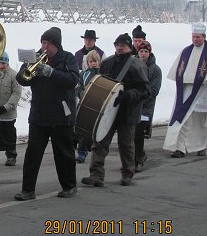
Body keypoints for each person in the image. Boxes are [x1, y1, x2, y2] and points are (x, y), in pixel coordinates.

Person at [14, 27, 79, 201]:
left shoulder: (68, 58)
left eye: (48, 44)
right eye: (43, 43)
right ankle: (27, 190)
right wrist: (27, 66)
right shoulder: (35, 56)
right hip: (39, 114)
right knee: (32, 155)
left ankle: (69, 186)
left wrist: (51, 72)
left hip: (61, 115)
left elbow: (72, 80)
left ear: (56, 45)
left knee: (63, 154)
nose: (44, 47)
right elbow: (21, 80)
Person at [81, 33, 149, 187]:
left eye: (122, 45)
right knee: (99, 141)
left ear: (129, 46)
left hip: (128, 111)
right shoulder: (107, 63)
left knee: (125, 144)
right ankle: (96, 175)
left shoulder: (137, 65)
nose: (119, 47)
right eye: (117, 44)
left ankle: (127, 173)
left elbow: (145, 90)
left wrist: (127, 95)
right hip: (108, 110)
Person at [164, 23, 207, 158]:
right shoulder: (186, 51)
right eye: (193, 37)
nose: (195, 40)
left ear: (204, 37)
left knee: (202, 120)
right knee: (183, 118)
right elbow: (178, 71)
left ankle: (203, 146)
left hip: (203, 90)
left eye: (198, 37)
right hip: (186, 90)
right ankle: (179, 147)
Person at [134, 41, 162, 171]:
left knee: (139, 133)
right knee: (130, 133)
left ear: (149, 53)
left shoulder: (155, 70)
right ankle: (136, 156)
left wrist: (139, 95)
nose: (143, 54)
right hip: (132, 105)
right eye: (141, 51)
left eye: (146, 51)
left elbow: (154, 90)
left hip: (145, 107)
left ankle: (138, 159)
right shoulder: (132, 65)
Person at [75, 50, 101, 163]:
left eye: (95, 61)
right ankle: (81, 153)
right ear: (87, 62)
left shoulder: (102, 74)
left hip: (99, 107)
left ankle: (98, 154)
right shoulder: (83, 74)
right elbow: (78, 87)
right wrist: (82, 94)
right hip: (85, 106)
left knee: (98, 132)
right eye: (91, 61)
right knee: (83, 132)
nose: (93, 63)